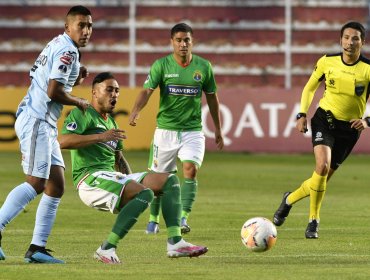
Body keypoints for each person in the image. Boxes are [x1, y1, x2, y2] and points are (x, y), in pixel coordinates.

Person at [59, 72, 208, 264]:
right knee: (145, 193)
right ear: (95, 92)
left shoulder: (110, 122)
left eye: (117, 91)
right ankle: (106, 249)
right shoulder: (83, 113)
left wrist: (129, 184)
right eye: (109, 90)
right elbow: (62, 141)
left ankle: (175, 242)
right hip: (89, 180)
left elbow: (119, 159)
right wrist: (101, 137)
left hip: (109, 176)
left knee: (169, 180)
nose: (114, 95)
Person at [0, 5, 92, 263]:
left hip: (43, 122)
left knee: (56, 185)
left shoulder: (59, 44)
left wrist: (75, 80)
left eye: (89, 25)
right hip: (38, 120)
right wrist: (79, 101)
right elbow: (53, 92)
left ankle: (36, 249)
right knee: (37, 182)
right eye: (81, 25)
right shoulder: (67, 51)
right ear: (68, 27)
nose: (86, 30)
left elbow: (46, 79)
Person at [273, 21, 370, 239]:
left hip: (350, 130)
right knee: (322, 166)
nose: (350, 42)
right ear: (340, 40)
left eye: (355, 38)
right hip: (324, 120)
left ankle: (288, 199)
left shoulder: (368, 69)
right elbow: (309, 87)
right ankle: (313, 221)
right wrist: (302, 114)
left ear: (362, 42)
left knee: (321, 179)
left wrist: (367, 121)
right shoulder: (327, 61)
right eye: (346, 37)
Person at [129, 23, 224, 234]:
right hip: (166, 131)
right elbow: (147, 91)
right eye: (179, 40)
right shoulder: (161, 66)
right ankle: (153, 220)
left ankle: (182, 218)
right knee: (157, 179)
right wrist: (136, 109)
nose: (183, 44)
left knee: (190, 169)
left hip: (192, 131)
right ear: (172, 42)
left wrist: (218, 129)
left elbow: (212, 99)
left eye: (187, 40)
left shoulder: (203, 67)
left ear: (192, 42)